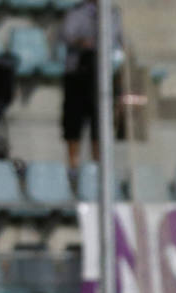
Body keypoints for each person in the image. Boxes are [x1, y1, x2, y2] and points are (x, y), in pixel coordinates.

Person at [59, 0, 124, 172]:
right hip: (78, 74)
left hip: (103, 73)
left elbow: (118, 39)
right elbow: (66, 35)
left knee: (100, 121)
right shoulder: (77, 12)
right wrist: (82, 41)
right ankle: (73, 165)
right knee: (74, 120)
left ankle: (99, 166)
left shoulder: (113, 13)